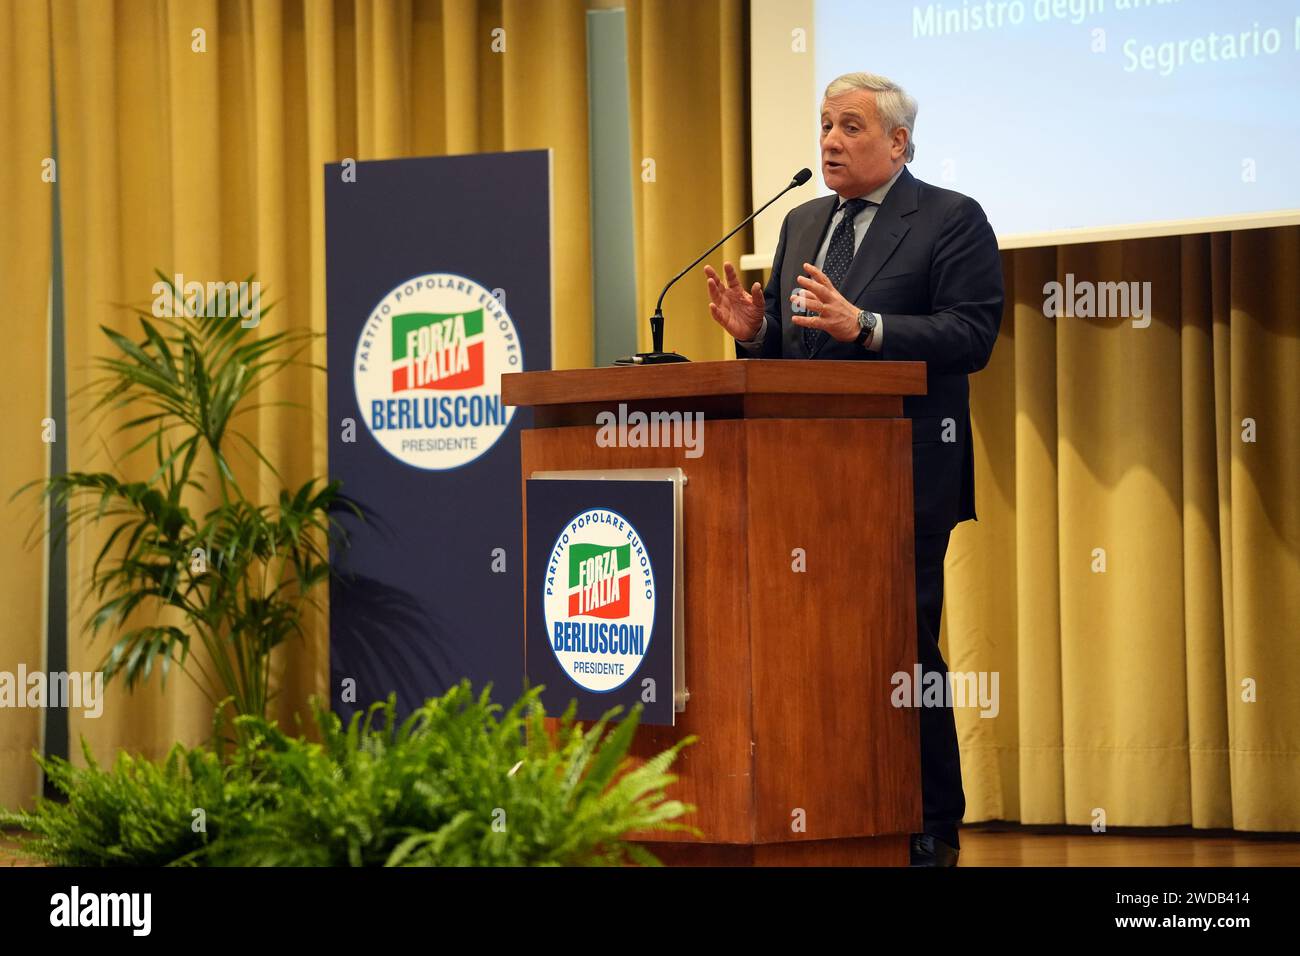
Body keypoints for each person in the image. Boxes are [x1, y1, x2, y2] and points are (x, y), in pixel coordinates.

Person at [705, 71, 1003, 867]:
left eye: (850, 128)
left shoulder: (951, 218)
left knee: (903, 650)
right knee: (809, 650)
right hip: (799, 484)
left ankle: (932, 823)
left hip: (903, 477)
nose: (830, 142)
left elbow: (971, 336)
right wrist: (752, 334)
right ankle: (836, 804)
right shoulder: (802, 223)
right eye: (825, 125)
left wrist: (867, 326)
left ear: (898, 142)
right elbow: (794, 357)